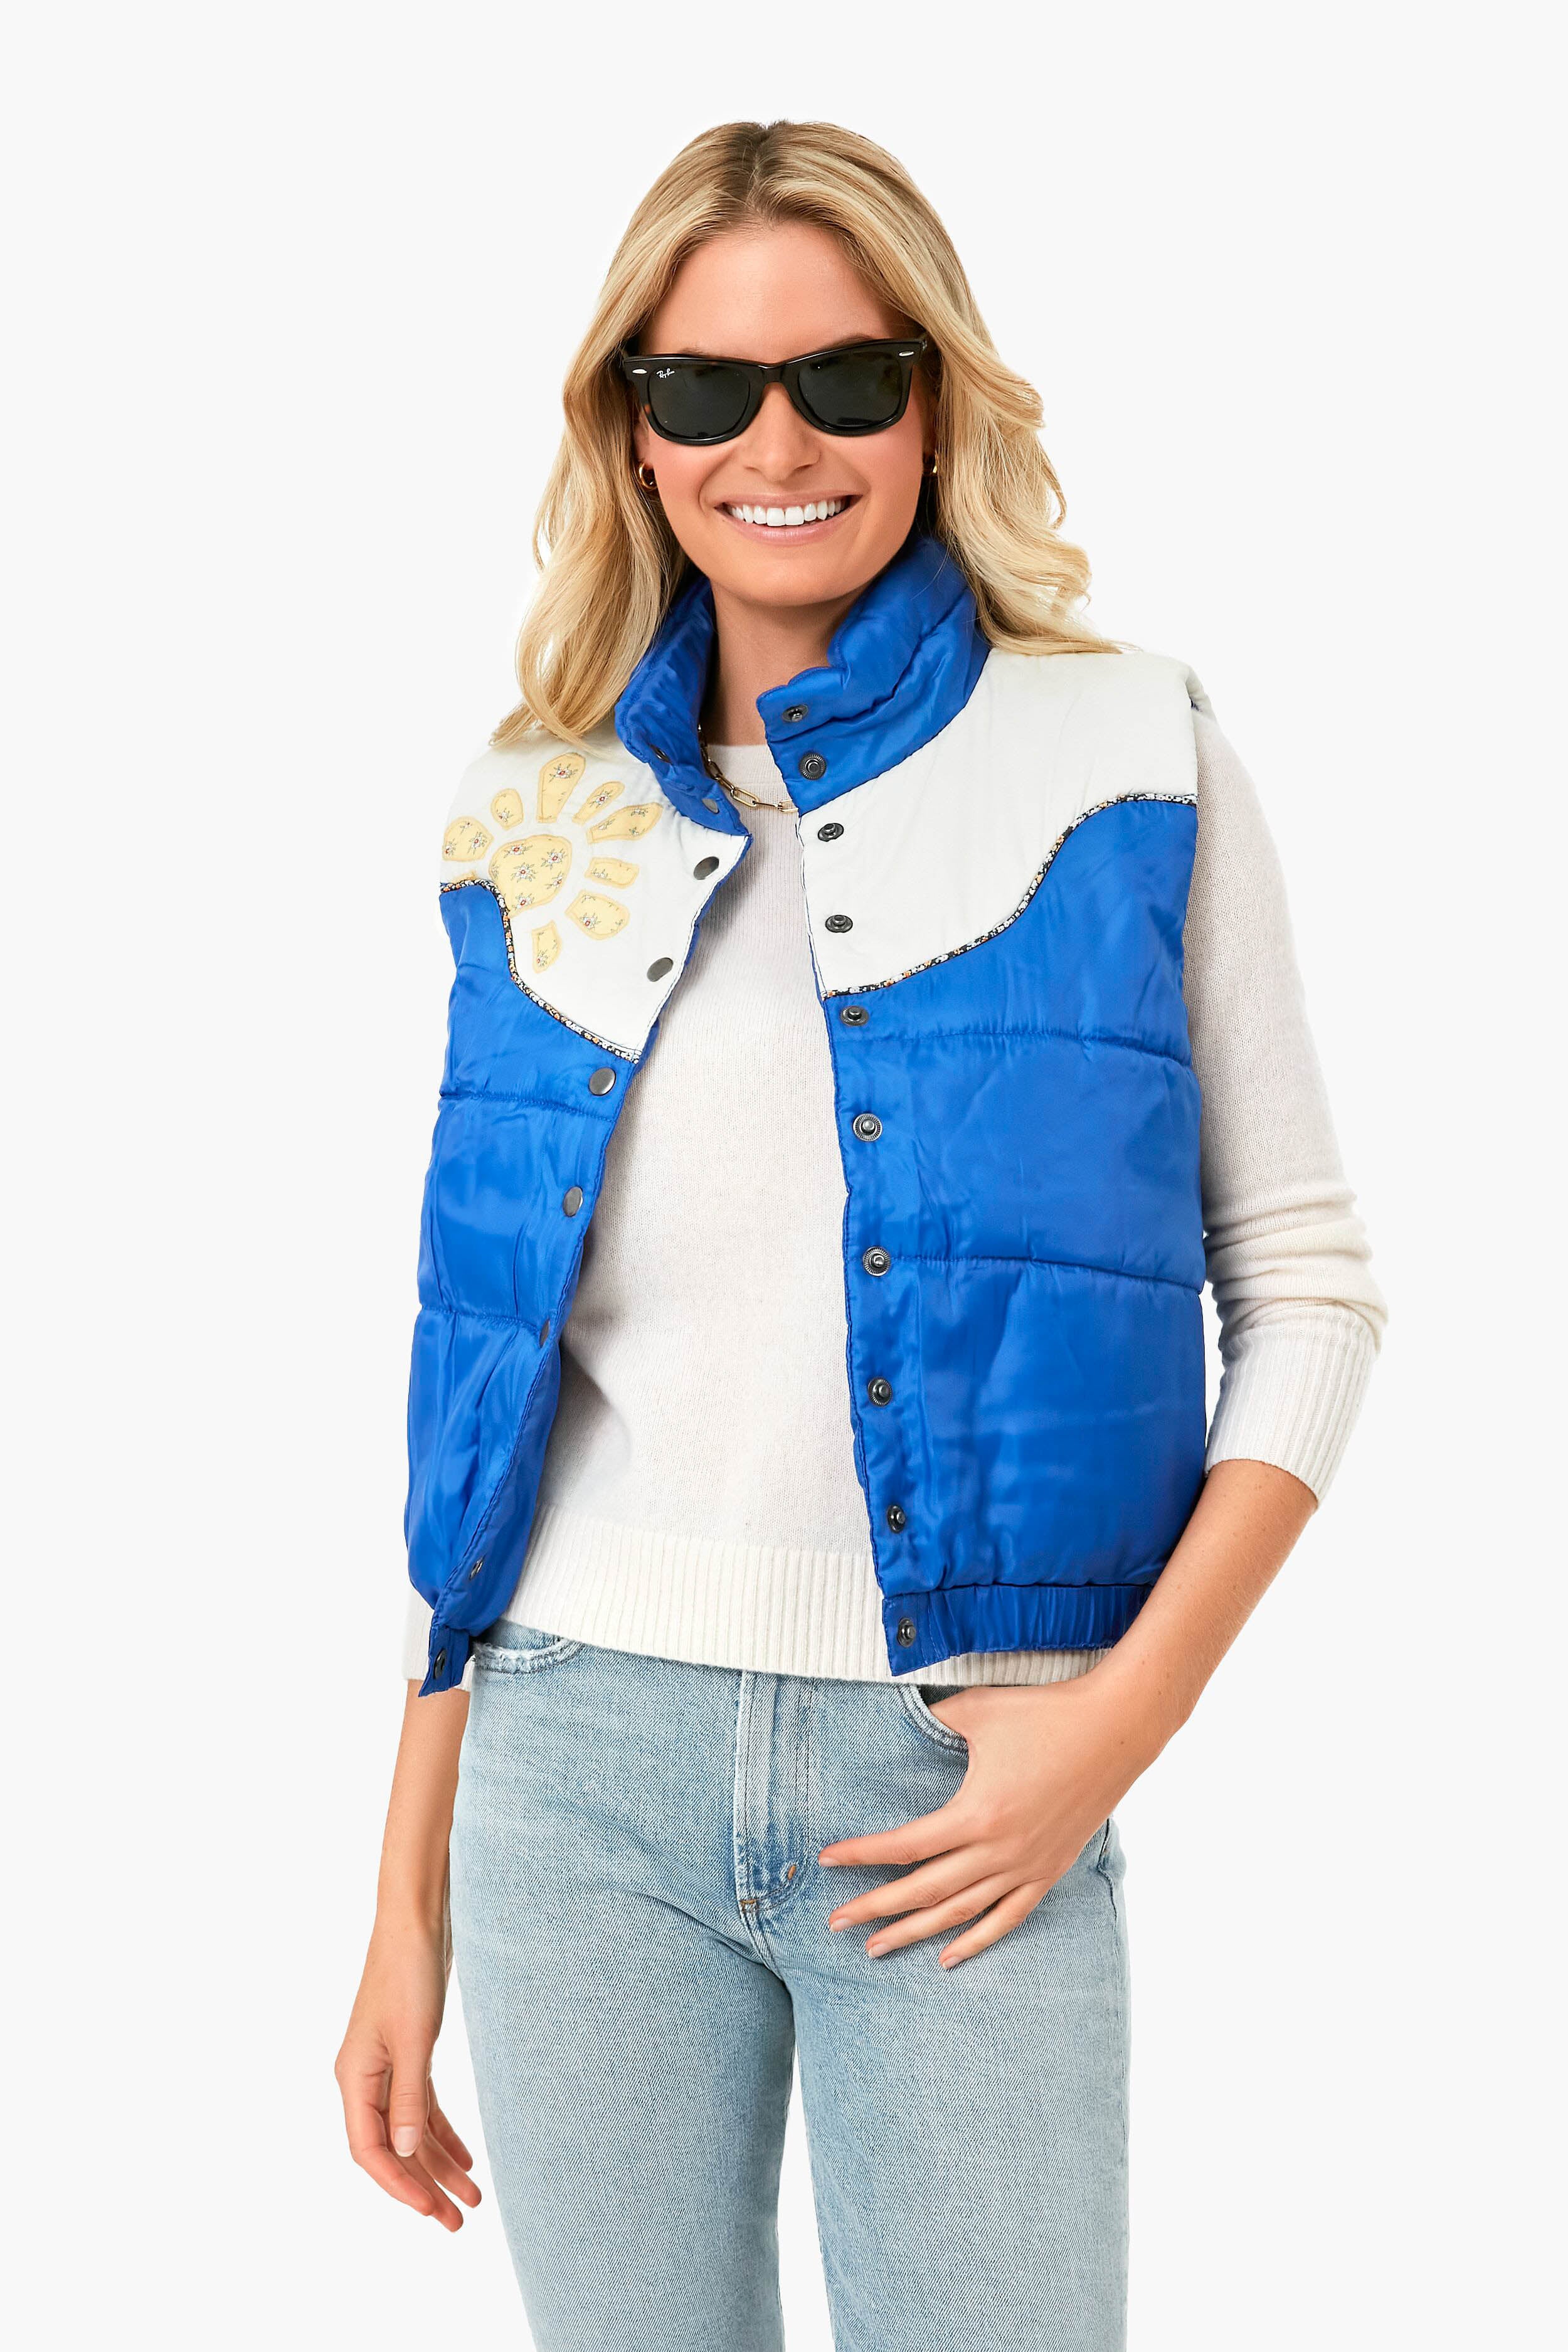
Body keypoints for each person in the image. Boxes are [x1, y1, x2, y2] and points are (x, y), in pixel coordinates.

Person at [336, 118, 1387, 2352]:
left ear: (935, 399)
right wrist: (401, 1894)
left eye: (843, 376)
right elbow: (481, 1395)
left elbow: (1306, 1291)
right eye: (702, 387)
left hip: (968, 1778)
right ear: (631, 429)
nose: (777, 443)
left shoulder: (1124, 751)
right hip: (569, 1773)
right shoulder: (533, 807)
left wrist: (1108, 1731)